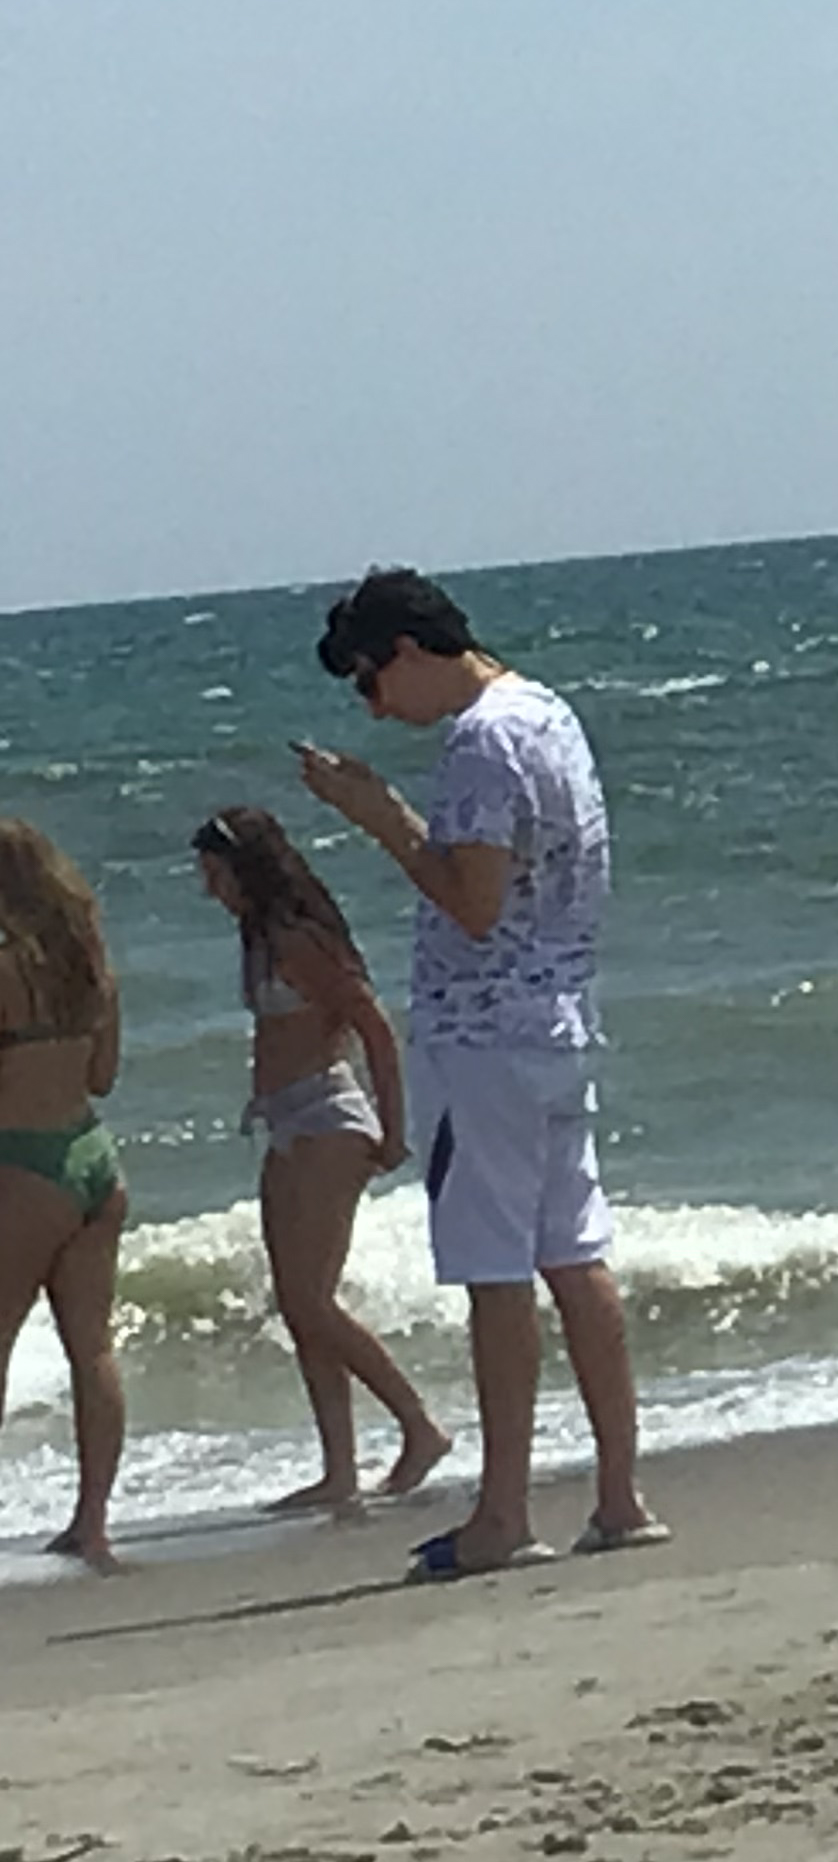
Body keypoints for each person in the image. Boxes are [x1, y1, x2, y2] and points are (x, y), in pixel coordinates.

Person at [298, 568, 665, 1579]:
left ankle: (503, 1514)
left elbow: (472, 900)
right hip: (556, 1021)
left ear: (408, 653)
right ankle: (618, 1495)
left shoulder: (478, 739)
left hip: (488, 1035)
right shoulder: (547, 713)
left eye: (372, 683)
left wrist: (378, 815)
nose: (375, 707)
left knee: (496, 1271)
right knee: (575, 1254)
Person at [192, 806, 452, 1513]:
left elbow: (373, 1026)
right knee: (300, 1303)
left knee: (310, 1299)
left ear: (246, 868)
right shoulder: (260, 937)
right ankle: (339, 1467)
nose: (208, 887)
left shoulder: (296, 940)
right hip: (284, 1121)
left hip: (328, 1118)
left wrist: (394, 1132)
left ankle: (419, 1425)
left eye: (214, 872)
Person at [0, 818, 129, 1572]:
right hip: (93, 1157)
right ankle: (93, 1522)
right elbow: (103, 1075)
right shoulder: (93, 971)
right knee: (94, 1350)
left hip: (22, 1163)